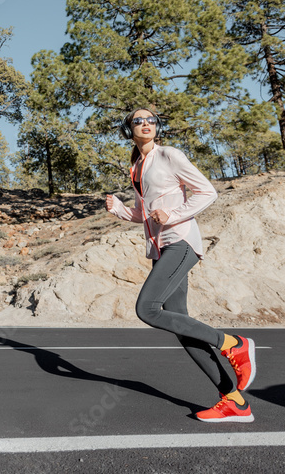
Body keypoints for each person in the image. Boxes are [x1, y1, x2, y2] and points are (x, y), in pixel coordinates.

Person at [106, 107, 257, 423]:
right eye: (138, 120)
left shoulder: (169, 155)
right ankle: (233, 401)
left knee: (147, 309)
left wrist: (173, 216)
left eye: (150, 120)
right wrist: (121, 209)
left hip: (181, 241)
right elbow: (147, 214)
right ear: (128, 129)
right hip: (161, 249)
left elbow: (207, 192)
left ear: (156, 127)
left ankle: (235, 344)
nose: (145, 123)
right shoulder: (137, 166)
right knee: (183, 327)